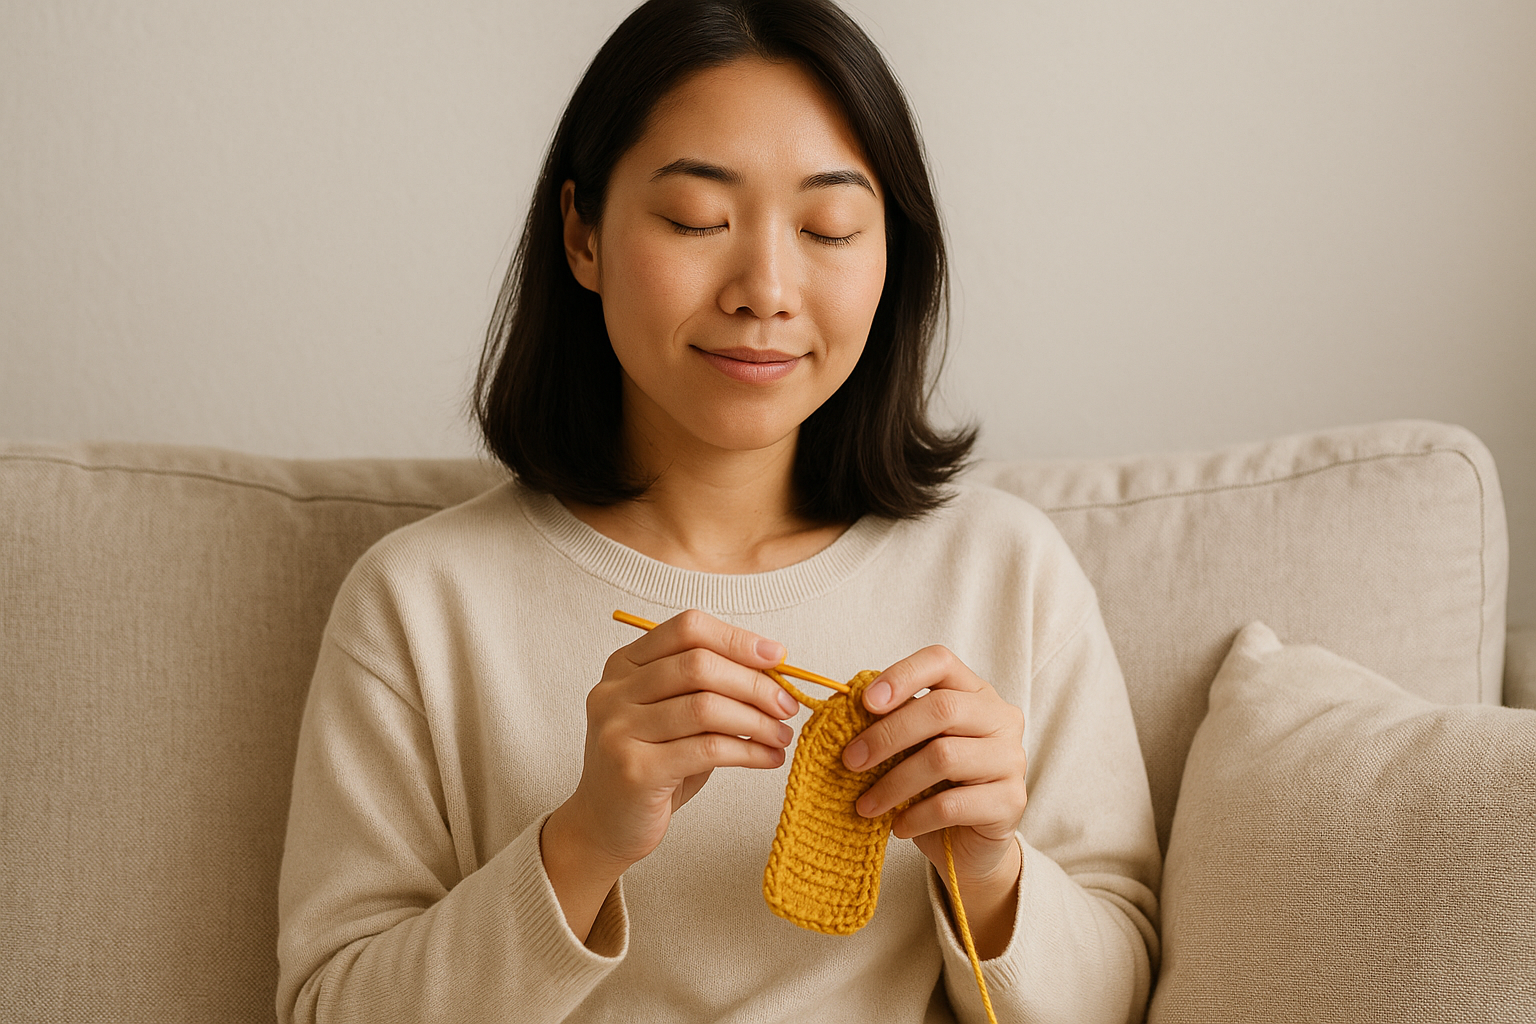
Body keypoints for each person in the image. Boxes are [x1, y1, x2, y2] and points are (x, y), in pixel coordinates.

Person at [276, 0, 1160, 1021]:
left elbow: (1122, 994)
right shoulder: (421, 601)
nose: (766, 289)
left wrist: (988, 868)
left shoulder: (1006, 571)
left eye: (829, 227)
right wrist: (584, 843)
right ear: (583, 235)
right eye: (698, 221)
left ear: (891, 260)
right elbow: (327, 1006)